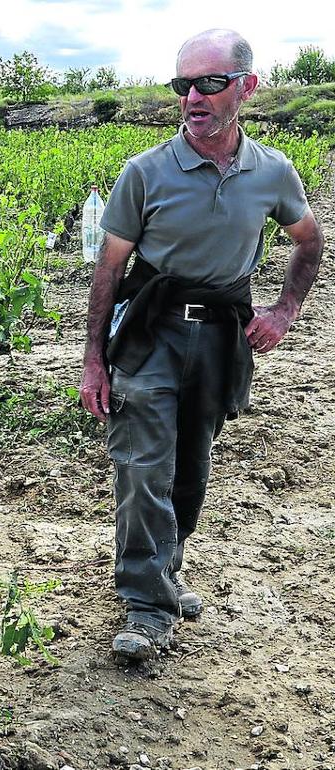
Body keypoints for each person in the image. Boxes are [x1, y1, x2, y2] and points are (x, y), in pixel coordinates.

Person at [79, 29, 324, 661]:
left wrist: (285, 308)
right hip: (150, 334)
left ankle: (163, 570)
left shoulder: (271, 172)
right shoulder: (146, 172)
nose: (192, 96)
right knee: (142, 466)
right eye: (181, 84)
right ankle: (145, 603)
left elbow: (308, 239)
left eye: (209, 83)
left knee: (190, 468)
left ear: (246, 87)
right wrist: (93, 360)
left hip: (219, 338)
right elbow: (108, 271)